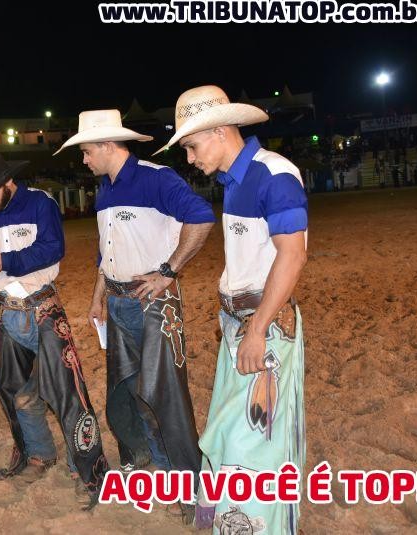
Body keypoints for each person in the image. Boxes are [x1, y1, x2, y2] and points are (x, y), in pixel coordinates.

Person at [156, 85, 308, 533]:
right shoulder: (238, 181)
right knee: (232, 432)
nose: (189, 157)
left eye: (192, 144)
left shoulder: (274, 175)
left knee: (249, 439)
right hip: (242, 324)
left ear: (221, 132)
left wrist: (258, 328)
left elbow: (293, 255)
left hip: (262, 327)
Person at [55, 110, 215, 519]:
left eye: (87, 151)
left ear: (109, 146)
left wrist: (169, 271)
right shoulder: (105, 189)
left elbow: (201, 216)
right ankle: (157, 464)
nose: (84, 160)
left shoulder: (156, 178)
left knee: (165, 397)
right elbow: (105, 252)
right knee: (130, 392)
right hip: (118, 302)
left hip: (153, 303)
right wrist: (98, 296)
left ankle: (190, 486)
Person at [0, 148, 108, 508]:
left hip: (42, 309)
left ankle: (89, 468)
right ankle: (38, 453)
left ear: (7, 182)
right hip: (6, 311)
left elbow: (54, 249)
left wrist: (3, 260)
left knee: (67, 390)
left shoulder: (41, 203)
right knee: (12, 388)